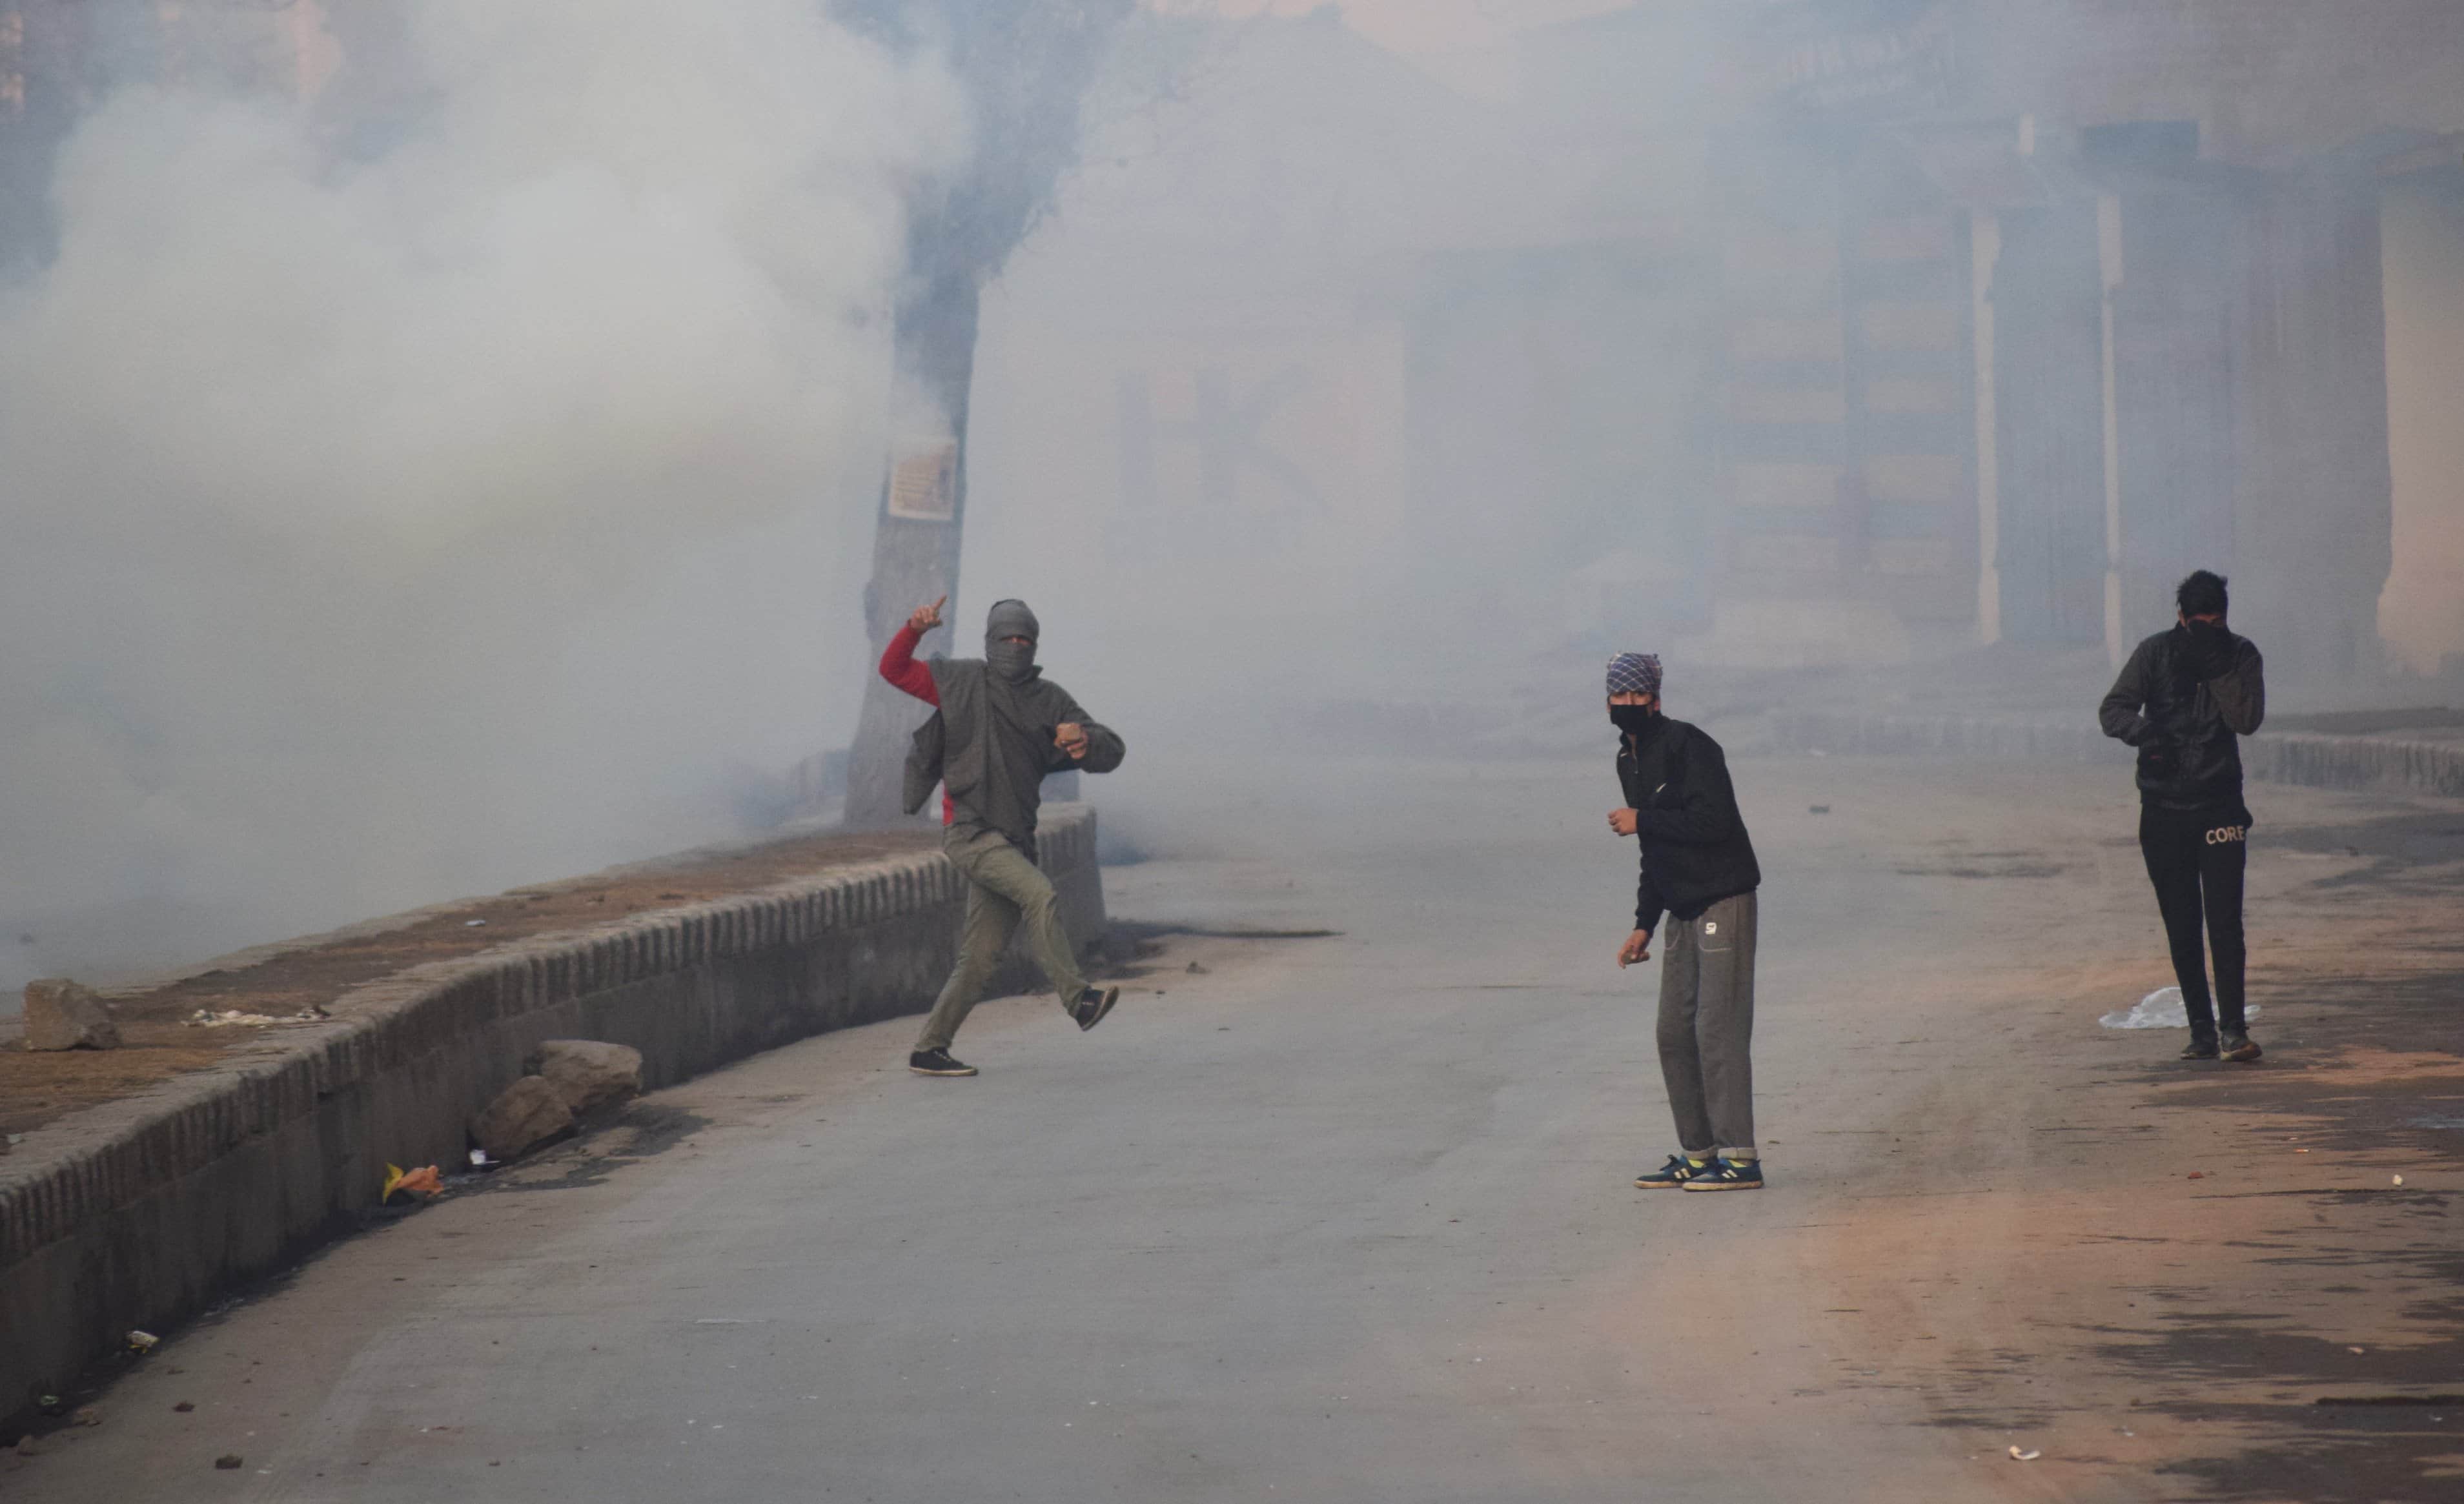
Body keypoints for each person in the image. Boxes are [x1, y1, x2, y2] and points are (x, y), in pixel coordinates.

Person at [879, 595, 1126, 1076]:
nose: (1016, 647)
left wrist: (1083, 741)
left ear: (1034, 646)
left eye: (1024, 640)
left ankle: (929, 1049)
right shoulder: (960, 682)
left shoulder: (1048, 699)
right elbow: (894, 669)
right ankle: (1080, 1000)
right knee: (1040, 893)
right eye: (1007, 638)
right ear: (990, 642)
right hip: (970, 832)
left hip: (1014, 839)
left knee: (980, 959)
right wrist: (913, 628)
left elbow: (1110, 748)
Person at [1607, 653, 1767, 1192]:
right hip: (1679, 908)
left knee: (1716, 1031)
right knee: (1673, 1033)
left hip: (1723, 899)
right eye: (1618, 697)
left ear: (1655, 698)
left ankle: (1740, 1159)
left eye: (1636, 697)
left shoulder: (1688, 745)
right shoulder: (1628, 760)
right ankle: (1699, 1155)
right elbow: (1655, 851)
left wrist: (1641, 819)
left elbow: (1713, 820)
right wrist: (1642, 925)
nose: (1627, 706)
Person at [2099, 569, 2267, 1063]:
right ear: (2179, 617)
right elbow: (2113, 710)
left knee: (2224, 923)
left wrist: (2214, 663)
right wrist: (2147, 737)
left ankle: (2233, 1031)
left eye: (2214, 623)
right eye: (2198, 623)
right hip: (2163, 809)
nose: (2205, 630)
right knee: (2181, 923)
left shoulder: (2239, 654)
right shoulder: (2153, 653)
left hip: (2219, 806)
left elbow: (2246, 720)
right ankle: (2200, 1031)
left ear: (2225, 619)